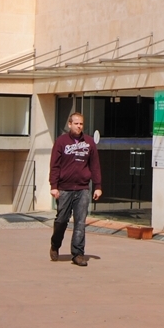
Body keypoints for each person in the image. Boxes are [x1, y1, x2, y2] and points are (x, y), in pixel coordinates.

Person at [49, 112, 103, 266]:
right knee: (61, 220)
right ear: (70, 124)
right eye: (76, 123)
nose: (79, 126)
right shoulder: (61, 142)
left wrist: (97, 186)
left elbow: (95, 166)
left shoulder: (89, 143)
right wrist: (54, 186)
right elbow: (54, 165)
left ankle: (78, 254)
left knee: (80, 222)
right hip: (64, 189)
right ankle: (55, 245)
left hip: (82, 189)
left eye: (81, 124)